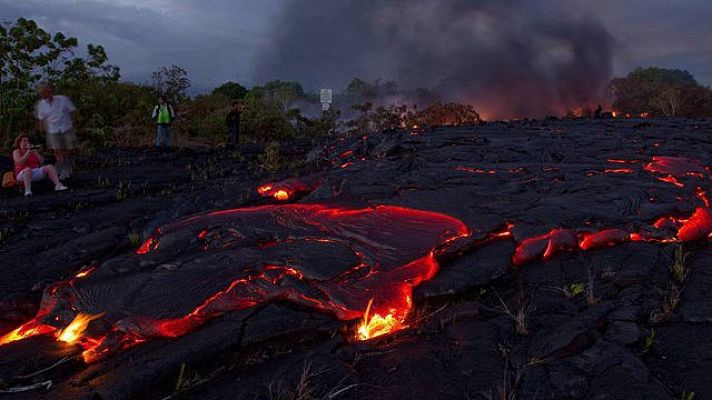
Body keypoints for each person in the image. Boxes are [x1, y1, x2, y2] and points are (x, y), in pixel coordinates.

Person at [34, 83, 77, 179]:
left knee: (69, 149)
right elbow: (41, 119)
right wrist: (42, 132)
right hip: (52, 130)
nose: (44, 95)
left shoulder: (63, 99)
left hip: (66, 127)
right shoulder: (41, 104)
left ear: (50, 92)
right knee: (57, 150)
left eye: (45, 92)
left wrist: (73, 124)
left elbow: (72, 111)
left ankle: (66, 164)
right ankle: (63, 169)